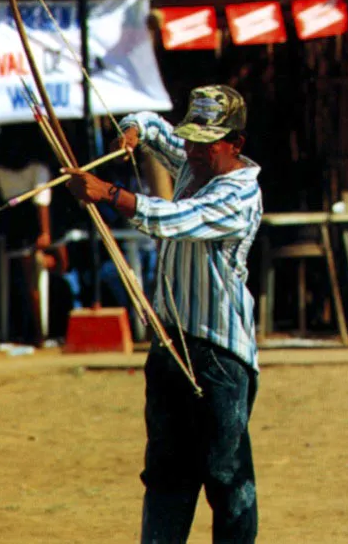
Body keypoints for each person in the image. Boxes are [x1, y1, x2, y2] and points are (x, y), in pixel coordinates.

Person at [66, 85, 261, 543]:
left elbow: (173, 218)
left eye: (205, 142)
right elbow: (154, 126)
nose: (191, 150)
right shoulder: (194, 161)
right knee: (166, 473)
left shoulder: (238, 194)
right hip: (171, 343)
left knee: (227, 479)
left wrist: (108, 193)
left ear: (235, 144)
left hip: (219, 354)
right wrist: (132, 132)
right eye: (190, 139)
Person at [0, 128, 68, 346]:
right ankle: (40, 333)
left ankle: (37, 331)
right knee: (40, 279)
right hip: (38, 224)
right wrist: (45, 232)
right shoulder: (37, 165)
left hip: (15, 225)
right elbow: (42, 200)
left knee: (31, 282)